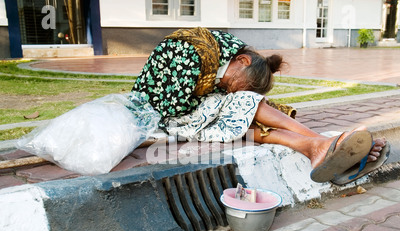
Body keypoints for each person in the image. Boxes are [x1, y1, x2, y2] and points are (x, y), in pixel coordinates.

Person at [129, 27, 389, 184]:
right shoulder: (191, 51)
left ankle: (321, 146)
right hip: (158, 115)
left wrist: (223, 102)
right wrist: (224, 101)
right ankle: (321, 144)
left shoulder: (221, 55)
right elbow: (173, 106)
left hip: (187, 113)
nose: (230, 88)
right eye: (238, 83)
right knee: (241, 106)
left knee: (242, 108)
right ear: (241, 60)